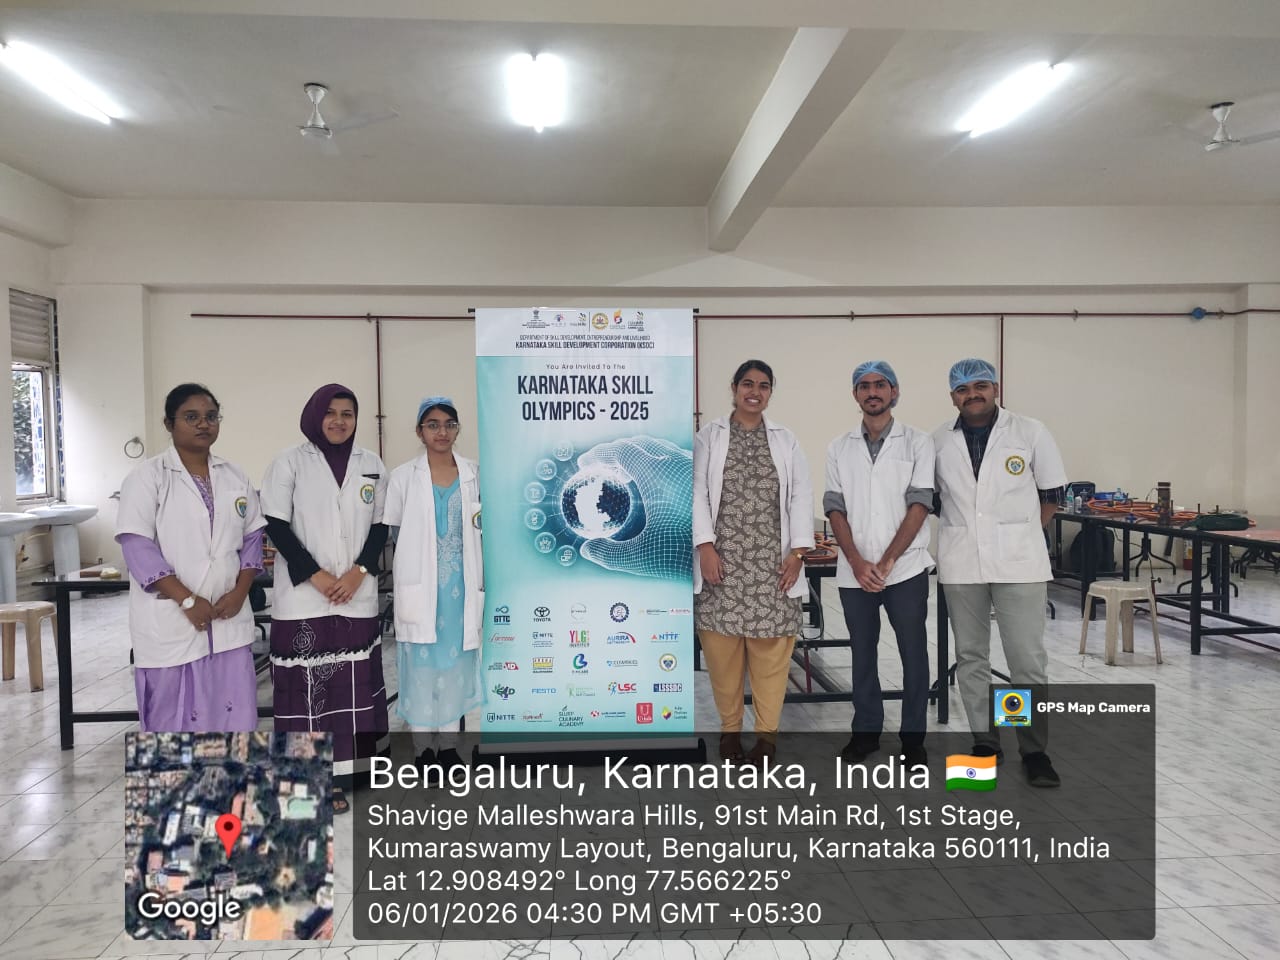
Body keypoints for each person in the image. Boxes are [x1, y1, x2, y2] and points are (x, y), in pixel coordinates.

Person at [933, 358, 1067, 788]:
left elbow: (1052, 495)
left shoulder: (1030, 431)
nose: (972, 394)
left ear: (995, 387)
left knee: (1025, 659)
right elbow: (935, 501)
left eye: (980, 386)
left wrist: (1020, 534)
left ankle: (1034, 749)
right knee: (971, 656)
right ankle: (984, 741)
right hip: (961, 563)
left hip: (1020, 564)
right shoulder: (938, 440)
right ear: (953, 395)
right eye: (962, 389)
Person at [261, 383, 389, 812]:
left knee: (352, 685)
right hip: (305, 596)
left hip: (355, 591)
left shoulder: (371, 464)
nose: (339, 420)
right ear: (316, 415)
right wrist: (316, 576)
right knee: (308, 689)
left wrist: (359, 573)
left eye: (348, 413)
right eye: (331, 412)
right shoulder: (289, 462)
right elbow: (276, 526)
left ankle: (355, 769)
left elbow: (380, 527)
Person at [115, 383, 265, 731]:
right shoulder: (147, 478)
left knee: (232, 712)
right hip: (172, 620)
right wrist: (186, 601)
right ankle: (177, 786)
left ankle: (230, 785)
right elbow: (137, 547)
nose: (203, 424)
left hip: (228, 616)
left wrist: (240, 593)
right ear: (169, 424)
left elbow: (253, 537)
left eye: (211, 417)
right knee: (172, 716)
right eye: (191, 417)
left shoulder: (234, 475)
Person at [693, 360, 814, 765]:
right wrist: (705, 546)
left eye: (763, 386)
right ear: (734, 387)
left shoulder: (785, 439)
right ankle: (730, 733)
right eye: (748, 383)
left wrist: (798, 553)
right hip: (723, 566)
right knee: (722, 654)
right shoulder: (709, 436)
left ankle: (766, 738)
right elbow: (698, 494)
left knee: (770, 656)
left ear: (770, 393)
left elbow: (800, 495)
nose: (755, 392)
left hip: (772, 566)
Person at [824, 361, 934, 767]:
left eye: (880, 385)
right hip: (855, 572)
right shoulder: (839, 446)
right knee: (863, 654)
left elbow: (920, 503)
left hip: (904, 569)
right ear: (855, 395)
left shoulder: (918, 443)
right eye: (864, 386)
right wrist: (855, 560)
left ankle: (913, 739)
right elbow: (834, 508)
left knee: (913, 652)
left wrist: (887, 561)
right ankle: (866, 734)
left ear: (894, 392)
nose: (872, 391)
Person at [383, 397, 484, 774]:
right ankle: (424, 750)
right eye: (433, 424)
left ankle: (450, 749)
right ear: (419, 431)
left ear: (457, 429)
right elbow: (390, 531)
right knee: (421, 671)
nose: (442, 432)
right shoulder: (403, 476)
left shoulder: (475, 473)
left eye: (449, 424)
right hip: (420, 588)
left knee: (455, 670)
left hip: (460, 590)